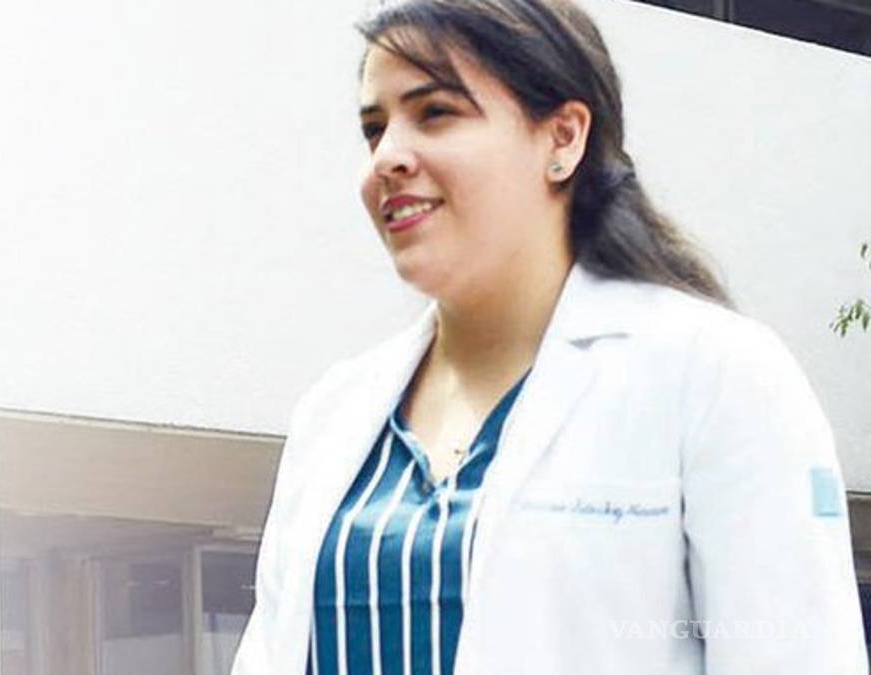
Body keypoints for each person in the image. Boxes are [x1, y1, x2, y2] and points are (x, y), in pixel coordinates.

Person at [230, 1, 868, 674]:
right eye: (373, 129)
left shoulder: (716, 374)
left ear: (562, 138)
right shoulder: (334, 414)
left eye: (435, 112)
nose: (388, 156)